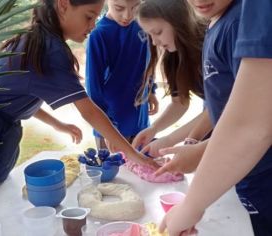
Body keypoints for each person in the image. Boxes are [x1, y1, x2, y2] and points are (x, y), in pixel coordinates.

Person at [0, 0, 159, 220]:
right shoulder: (49, 49)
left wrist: (58, 125)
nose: (92, 24)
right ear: (63, 4)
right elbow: (89, 110)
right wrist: (132, 154)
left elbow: (19, 95)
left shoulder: (39, 40)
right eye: (89, 16)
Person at [159, 0, 272, 235]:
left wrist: (191, 206)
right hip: (246, 172)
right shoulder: (217, 23)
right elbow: (221, 106)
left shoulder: (239, 21)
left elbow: (252, 121)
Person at [132, 0, 205, 152]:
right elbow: (180, 103)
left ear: (179, 21)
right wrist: (154, 129)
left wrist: (170, 140)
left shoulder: (210, 46)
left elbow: (221, 108)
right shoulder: (173, 57)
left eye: (158, 32)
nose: (154, 41)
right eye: (149, 35)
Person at [85, 0, 159, 150]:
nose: (128, 15)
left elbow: (147, 61)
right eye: (119, 8)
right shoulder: (99, 34)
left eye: (135, 7)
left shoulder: (142, 25)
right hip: (113, 122)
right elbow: (94, 88)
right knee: (116, 171)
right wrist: (109, 128)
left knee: (141, 169)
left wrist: (151, 90)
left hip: (140, 119)